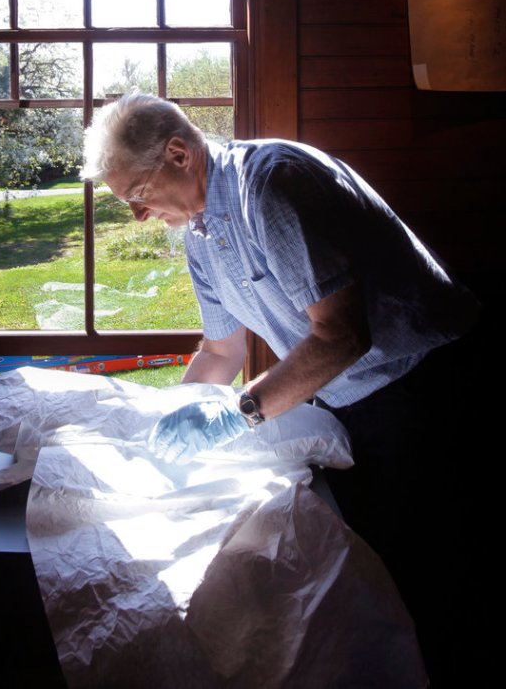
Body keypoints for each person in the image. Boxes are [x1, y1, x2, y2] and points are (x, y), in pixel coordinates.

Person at [80, 89, 485, 686]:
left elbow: (341, 338)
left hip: (429, 379)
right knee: (378, 568)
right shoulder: (199, 235)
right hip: (353, 397)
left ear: (177, 154)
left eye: (137, 196)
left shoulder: (270, 185)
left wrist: (231, 417)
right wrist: (159, 429)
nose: (138, 216)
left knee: (432, 571)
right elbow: (221, 352)